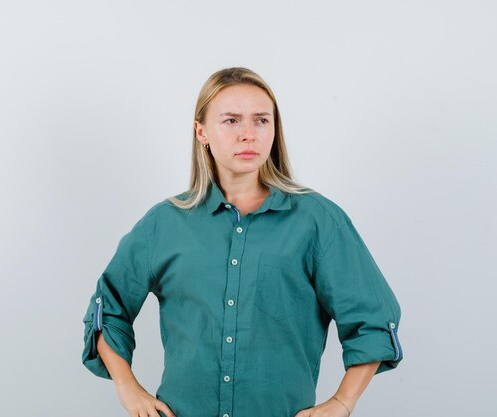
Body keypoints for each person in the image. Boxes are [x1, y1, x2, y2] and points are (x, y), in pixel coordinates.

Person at [81, 67, 404, 417]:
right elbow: (106, 308)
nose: (249, 134)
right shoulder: (164, 224)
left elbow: (372, 318)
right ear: (201, 132)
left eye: (261, 120)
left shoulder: (318, 221)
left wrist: (343, 402)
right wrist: (128, 389)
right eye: (232, 121)